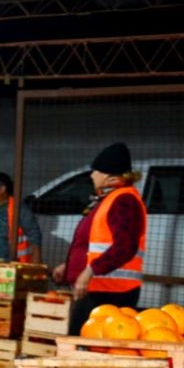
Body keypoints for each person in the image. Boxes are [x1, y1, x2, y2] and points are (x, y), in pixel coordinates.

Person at [52, 142, 148, 335]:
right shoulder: (111, 199)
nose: (92, 175)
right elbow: (95, 243)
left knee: (82, 344)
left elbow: (125, 247)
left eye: (96, 171)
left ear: (110, 176)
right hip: (100, 288)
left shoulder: (124, 201)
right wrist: (71, 266)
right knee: (78, 342)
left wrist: (89, 271)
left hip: (111, 293)